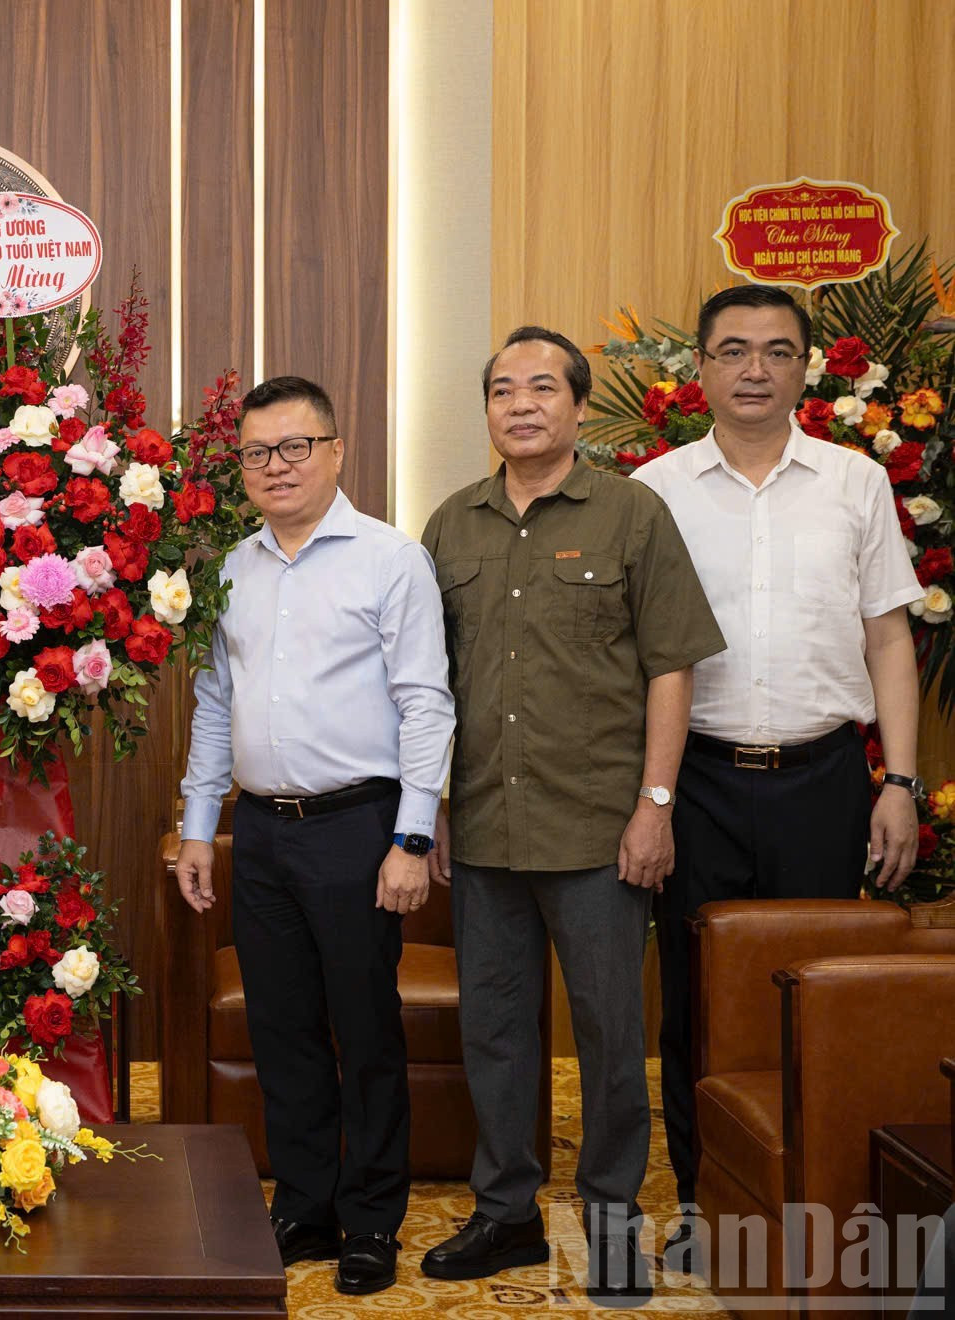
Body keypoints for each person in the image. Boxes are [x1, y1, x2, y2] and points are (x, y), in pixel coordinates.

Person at [418, 327, 725, 1307]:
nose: (521, 404)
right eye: (503, 388)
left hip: (600, 828)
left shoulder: (633, 514)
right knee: (496, 1031)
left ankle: (612, 1223)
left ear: (580, 407)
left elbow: (671, 665)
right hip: (485, 824)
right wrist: (433, 805)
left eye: (543, 387)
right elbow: (427, 682)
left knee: (608, 1034)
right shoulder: (451, 525)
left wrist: (656, 806)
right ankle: (505, 1214)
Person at [631, 284, 923, 1270]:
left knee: (815, 995)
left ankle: (813, 1202)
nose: (754, 369)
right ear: (700, 368)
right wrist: (649, 798)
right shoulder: (657, 490)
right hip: (697, 781)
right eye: (734, 350)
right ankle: (705, 1209)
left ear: (807, 368)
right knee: (697, 1003)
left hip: (824, 779)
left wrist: (900, 782)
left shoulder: (855, 483)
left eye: (777, 351)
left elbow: (889, 637)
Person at [176, 375, 454, 1296]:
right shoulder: (231, 569)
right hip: (261, 833)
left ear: (336, 451)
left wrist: (411, 840)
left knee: (365, 1031)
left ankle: (371, 1219)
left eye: (295, 447)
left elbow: (426, 704)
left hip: (358, 829)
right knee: (282, 1028)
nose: (277, 466)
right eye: (257, 452)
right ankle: (305, 1205)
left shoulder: (390, 560)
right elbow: (213, 706)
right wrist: (198, 828)